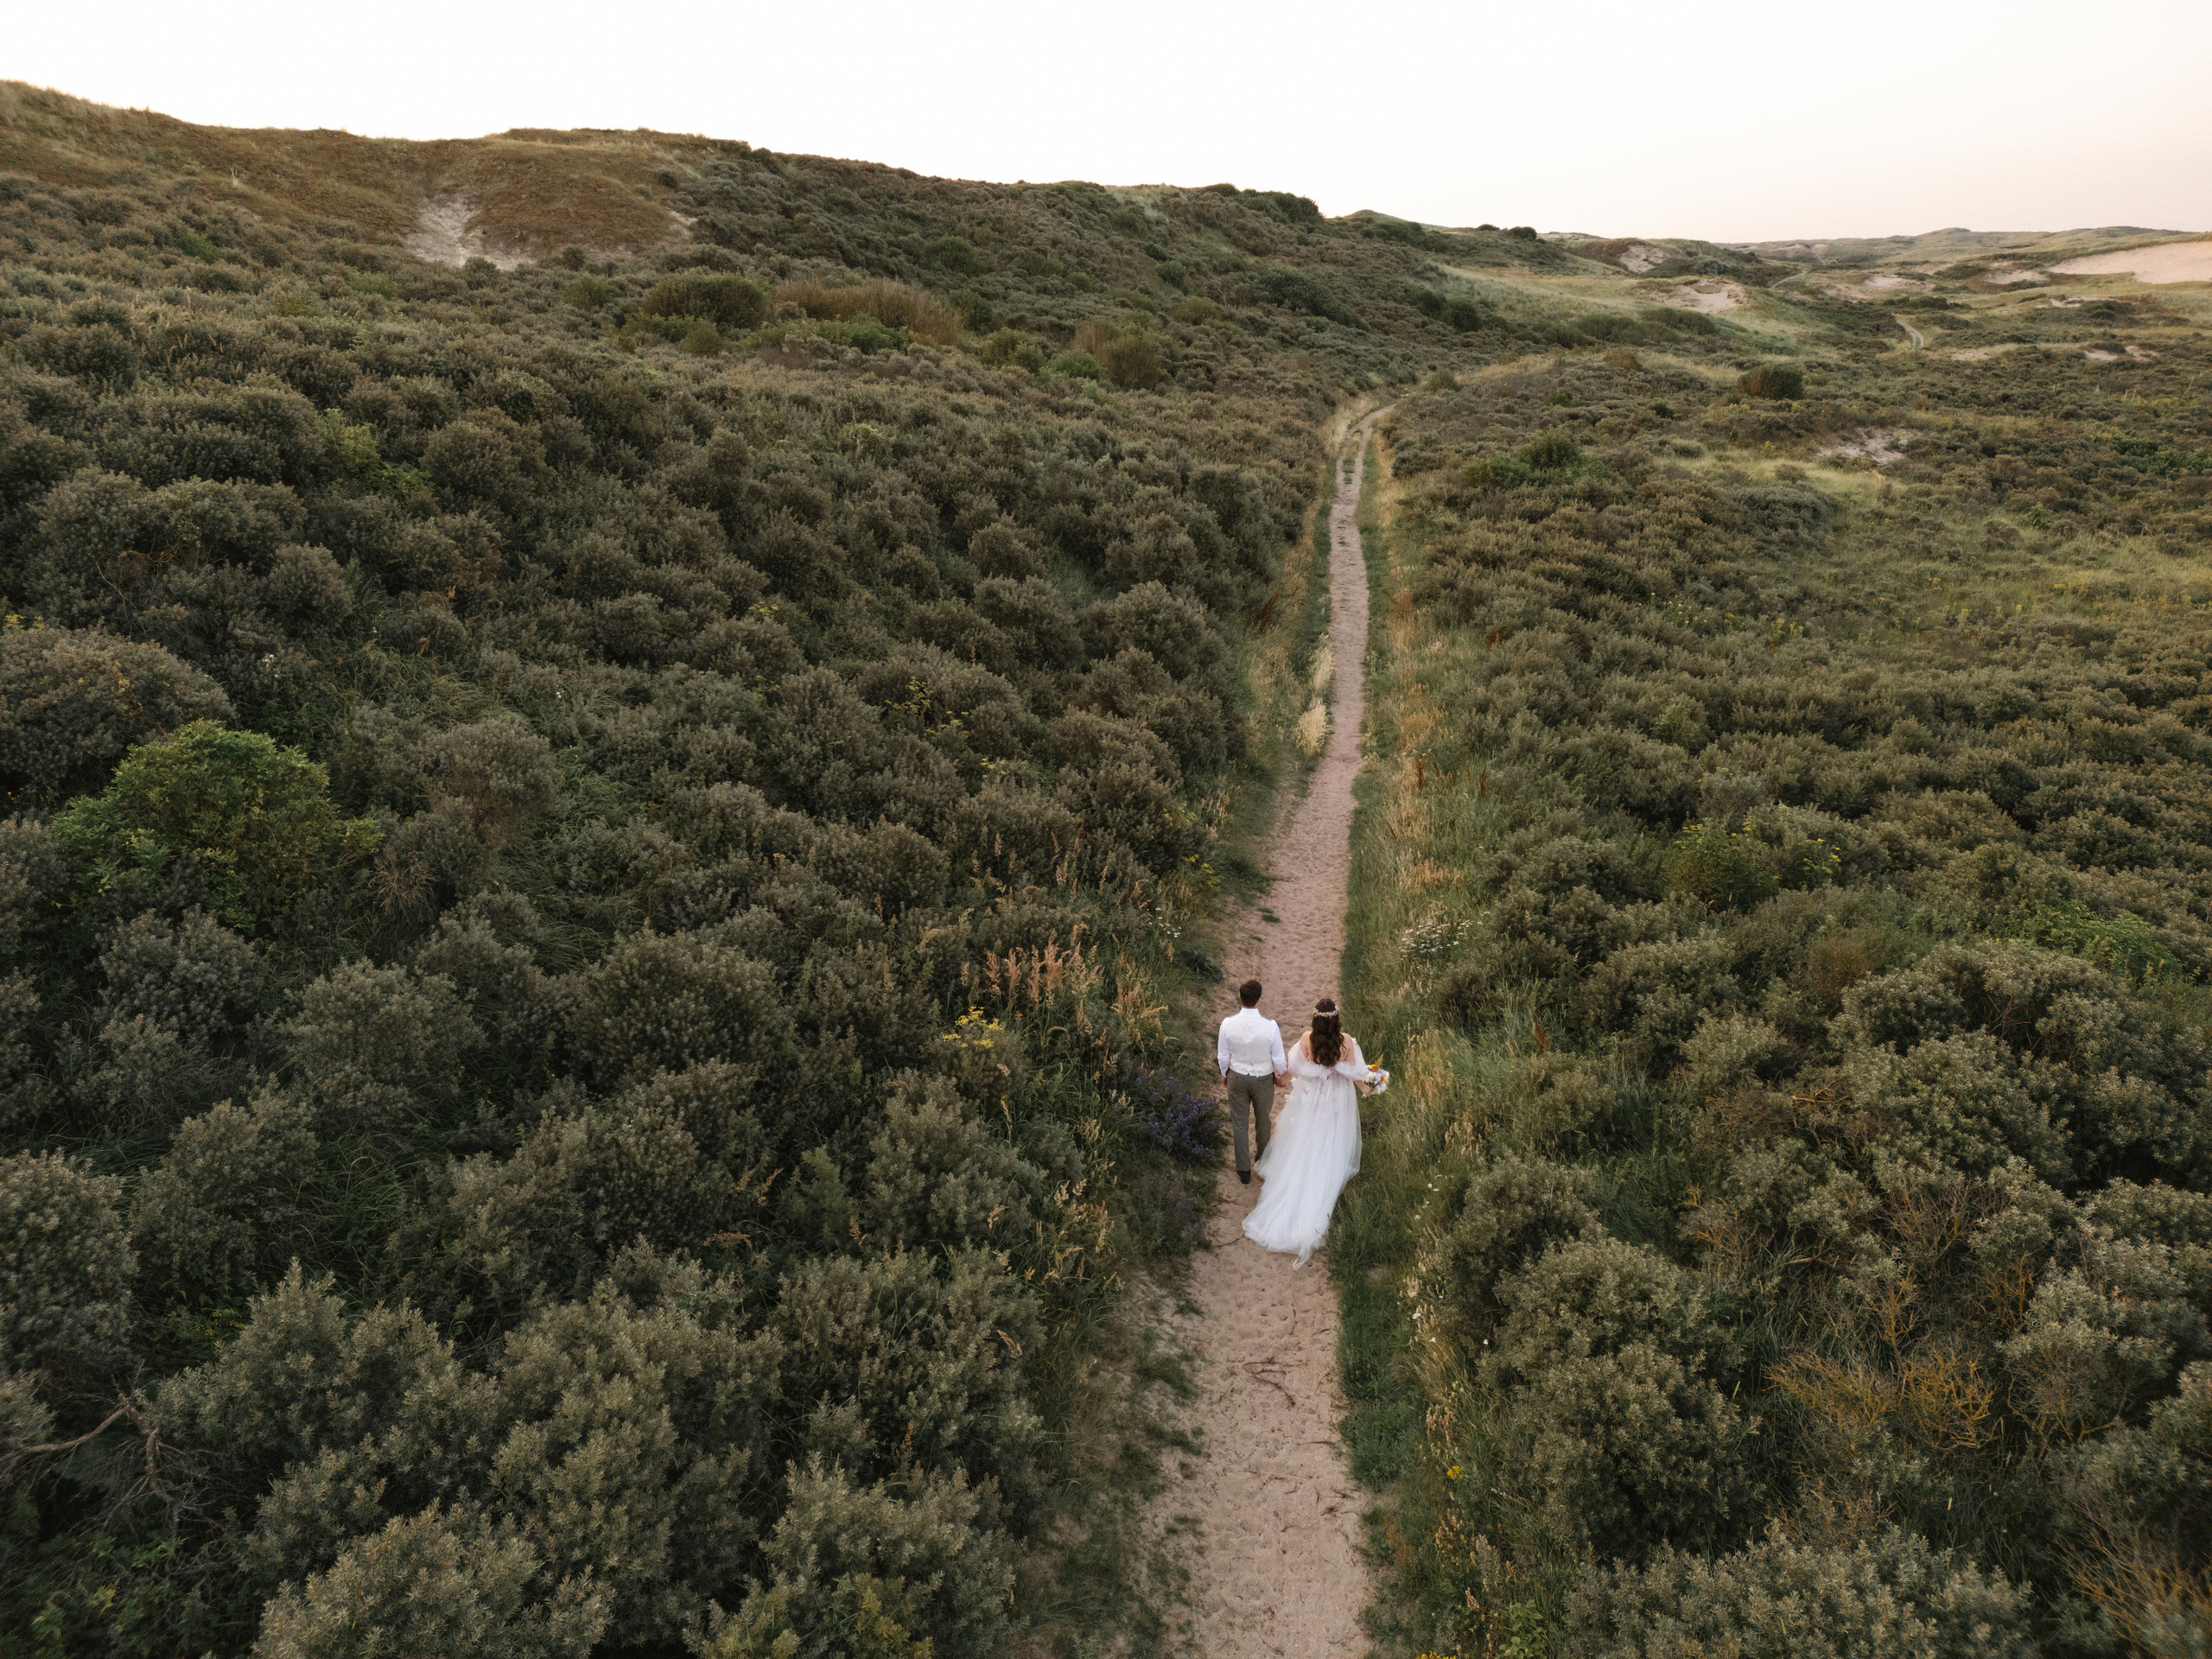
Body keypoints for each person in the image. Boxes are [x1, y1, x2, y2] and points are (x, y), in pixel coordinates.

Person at [1242, 996, 1385, 1268]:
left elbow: (1291, 1069)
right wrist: (1376, 1084)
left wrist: (1282, 1080)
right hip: (1336, 1104)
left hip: (1312, 1102)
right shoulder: (1347, 1043)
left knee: (1304, 1143)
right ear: (1337, 1020)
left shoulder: (1307, 1039)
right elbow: (1359, 1079)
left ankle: (1297, 1182)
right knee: (1330, 1144)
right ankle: (1323, 1186)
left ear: (1315, 1019)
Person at [1217, 978, 1287, 1185]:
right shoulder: (1270, 1026)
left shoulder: (1228, 1024)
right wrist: (1281, 1075)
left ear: (1241, 998)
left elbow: (1223, 1055)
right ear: (1259, 999)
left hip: (1236, 1076)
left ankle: (1243, 1169)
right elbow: (1278, 1059)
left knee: (1239, 1123)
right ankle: (1262, 1161)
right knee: (1263, 1121)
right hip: (1263, 1079)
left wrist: (1224, 1074)